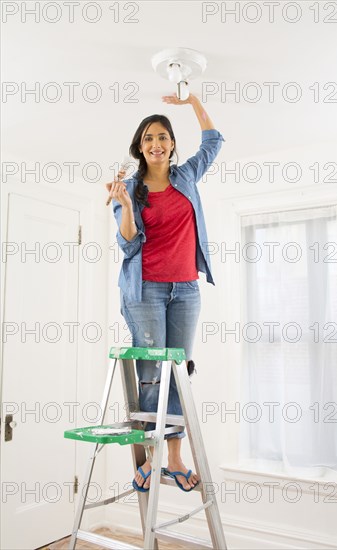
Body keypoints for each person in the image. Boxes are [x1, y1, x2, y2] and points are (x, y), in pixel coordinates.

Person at [106, 92, 225, 492]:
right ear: (140, 148)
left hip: (186, 289)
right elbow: (128, 245)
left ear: (172, 143)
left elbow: (214, 140)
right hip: (145, 291)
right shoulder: (129, 187)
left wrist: (191, 99)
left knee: (181, 370)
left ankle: (174, 458)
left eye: (162, 136)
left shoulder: (187, 176)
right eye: (147, 139)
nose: (155, 143)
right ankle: (155, 457)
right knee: (154, 374)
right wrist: (123, 204)